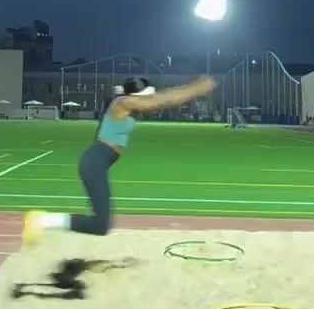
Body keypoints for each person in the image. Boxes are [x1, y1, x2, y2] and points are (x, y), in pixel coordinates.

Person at [23, 74, 216, 241]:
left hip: (97, 164)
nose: (150, 101)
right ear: (136, 96)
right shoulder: (123, 103)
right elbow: (164, 100)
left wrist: (187, 93)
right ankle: (42, 220)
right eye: (147, 97)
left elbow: (161, 100)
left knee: (101, 224)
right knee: (100, 225)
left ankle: (43, 221)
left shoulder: (129, 106)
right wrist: (197, 88)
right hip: (93, 164)